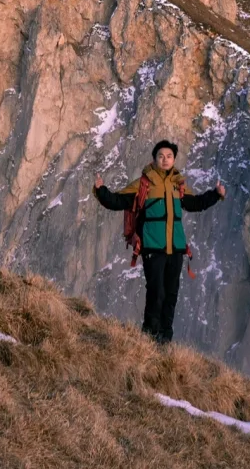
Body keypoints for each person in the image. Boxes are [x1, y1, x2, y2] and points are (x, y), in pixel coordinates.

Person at [94, 140, 225, 343]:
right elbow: (118, 200)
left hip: (177, 250)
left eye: (169, 156)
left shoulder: (178, 185)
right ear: (154, 159)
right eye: (161, 156)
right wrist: (101, 190)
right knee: (157, 291)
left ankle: (165, 338)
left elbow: (195, 203)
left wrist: (215, 195)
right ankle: (150, 335)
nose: (165, 160)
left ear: (174, 159)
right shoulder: (143, 184)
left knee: (171, 293)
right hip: (153, 249)